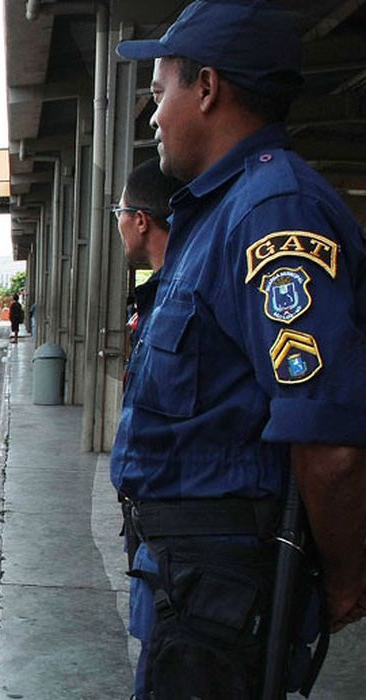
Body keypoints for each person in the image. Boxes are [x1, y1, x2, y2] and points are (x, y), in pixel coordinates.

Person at [114, 2, 366, 697]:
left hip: (224, 588)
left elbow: (330, 438)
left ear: (208, 87)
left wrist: (346, 579)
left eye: (160, 93)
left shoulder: (271, 215)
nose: (155, 115)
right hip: (188, 582)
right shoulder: (217, 213)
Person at [115, 158, 183, 357]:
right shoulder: (162, 293)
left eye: (119, 212)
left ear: (140, 221)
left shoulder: (181, 295)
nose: (118, 223)